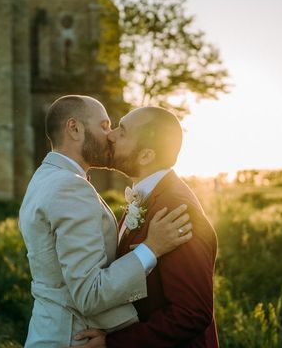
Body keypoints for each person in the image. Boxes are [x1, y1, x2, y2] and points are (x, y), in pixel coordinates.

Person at [19, 96, 193, 347]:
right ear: (74, 128)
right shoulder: (69, 186)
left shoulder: (45, 177)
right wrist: (151, 248)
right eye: (103, 125)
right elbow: (89, 294)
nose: (110, 135)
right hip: (72, 338)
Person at [75, 106, 219, 347]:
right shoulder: (147, 196)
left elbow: (191, 313)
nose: (110, 135)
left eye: (122, 132)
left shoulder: (176, 211)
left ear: (146, 156)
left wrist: (114, 344)